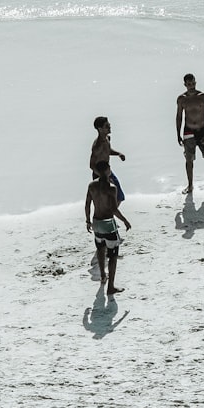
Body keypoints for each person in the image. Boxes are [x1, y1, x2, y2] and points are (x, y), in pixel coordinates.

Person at [86, 161, 132, 295]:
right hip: (108, 224)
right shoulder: (111, 187)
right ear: (107, 171)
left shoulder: (91, 186)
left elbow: (87, 204)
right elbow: (113, 209)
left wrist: (88, 221)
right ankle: (110, 287)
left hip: (96, 223)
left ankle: (102, 276)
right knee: (112, 255)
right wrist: (125, 220)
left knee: (100, 249)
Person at [175, 73, 204, 193]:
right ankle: (190, 185)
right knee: (189, 160)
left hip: (203, 129)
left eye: (193, 83)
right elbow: (179, 116)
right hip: (188, 131)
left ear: (195, 82)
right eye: (188, 84)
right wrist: (178, 134)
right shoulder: (182, 99)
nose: (191, 86)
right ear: (185, 84)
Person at [91, 116, 125, 202]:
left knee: (119, 196)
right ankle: (107, 214)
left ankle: (110, 213)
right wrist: (102, 177)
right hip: (99, 174)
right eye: (106, 126)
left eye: (109, 125)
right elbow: (91, 165)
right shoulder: (97, 146)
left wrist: (118, 154)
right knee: (106, 199)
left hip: (108, 171)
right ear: (100, 129)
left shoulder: (107, 138)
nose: (109, 127)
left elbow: (107, 150)